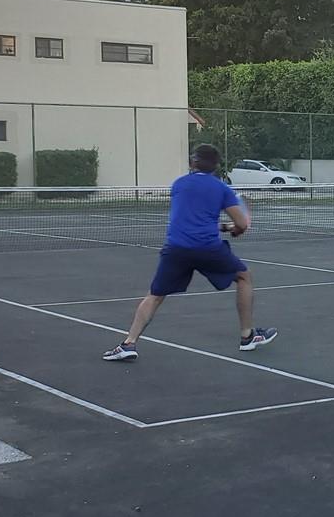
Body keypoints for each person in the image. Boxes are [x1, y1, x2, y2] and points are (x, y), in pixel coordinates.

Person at [103, 144, 275, 362]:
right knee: (244, 276)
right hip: (207, 248)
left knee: (155, 295)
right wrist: (234, 229)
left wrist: (224, 227)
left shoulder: (179, 185)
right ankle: (247, 336)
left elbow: (193, 218)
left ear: (193, 162)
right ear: (216, 165)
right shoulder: (221, 188)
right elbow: (240, 223)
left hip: (176, 249)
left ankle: (128, 343)